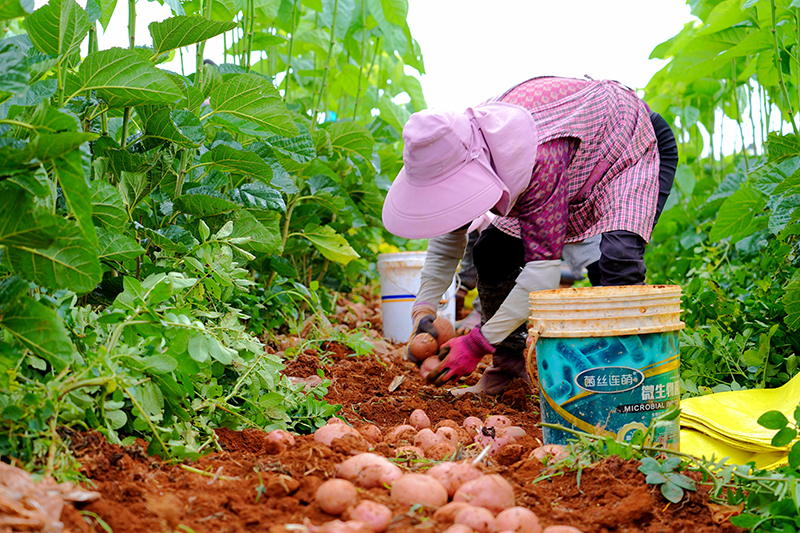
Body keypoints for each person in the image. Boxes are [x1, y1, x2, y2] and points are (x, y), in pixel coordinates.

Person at [383, 76, 678, 396]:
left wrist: (477, 343)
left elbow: (543, 274)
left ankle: (634, 380)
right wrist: (424, 310)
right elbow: (448, 237)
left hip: (629, 142)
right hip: (573, 159)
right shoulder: (461, 147)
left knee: (616, 262)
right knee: (492, 252)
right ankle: (507, 368)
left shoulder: (537, 157)